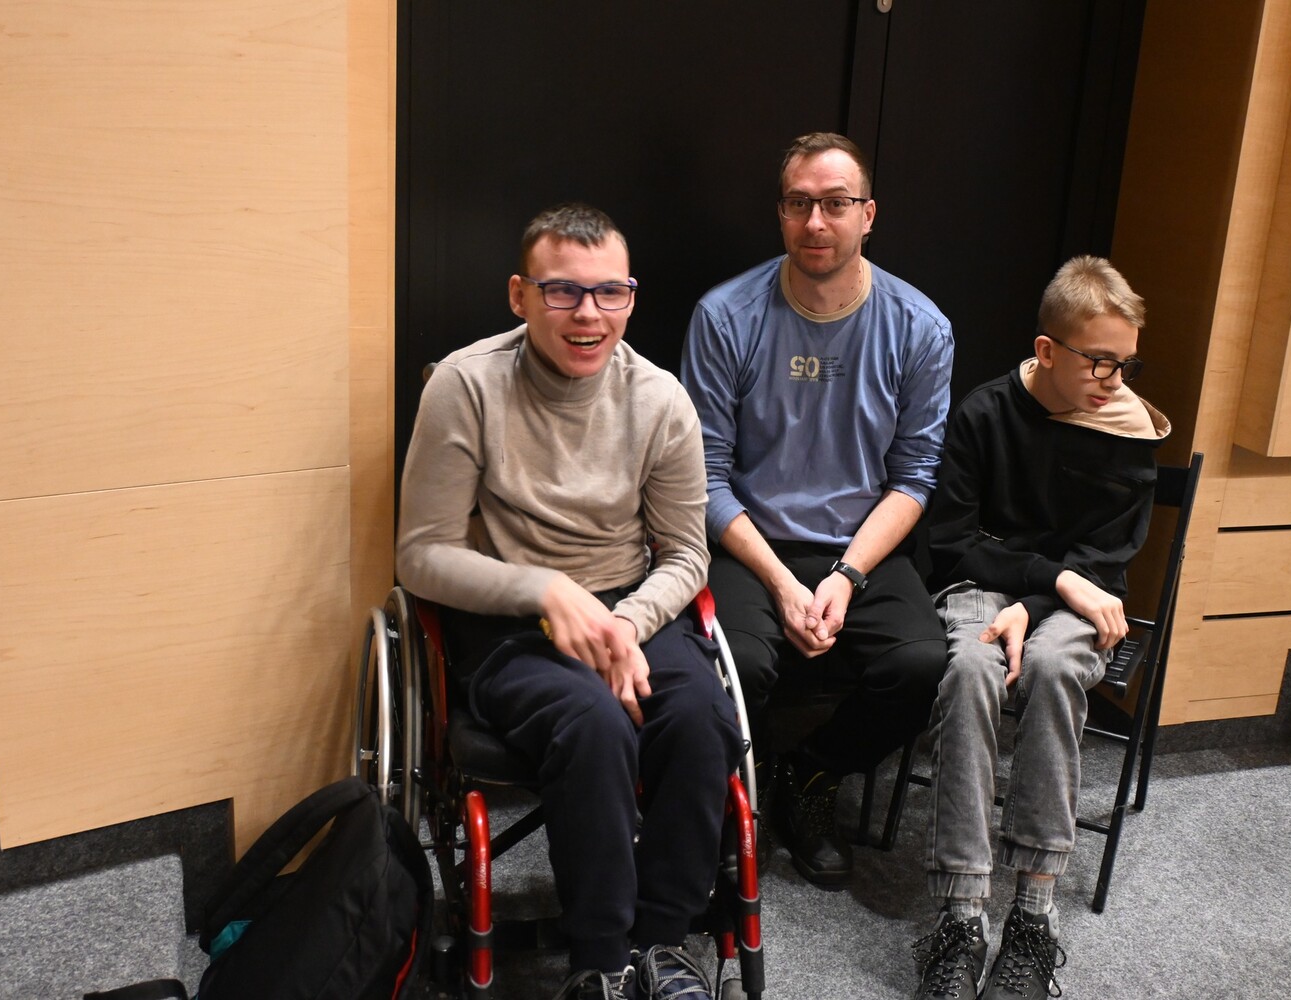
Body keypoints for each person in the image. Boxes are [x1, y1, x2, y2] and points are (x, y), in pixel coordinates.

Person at [396, 203, 742, 1000]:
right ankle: (601, 961)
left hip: (630, 607)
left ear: (630, 297)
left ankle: (663, 945)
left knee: (701, 719)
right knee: (592, 725)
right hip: (510, 620)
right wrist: (548, 591)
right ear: (520, 295)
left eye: (609, 292)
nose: (589, 314)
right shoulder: (465, 386)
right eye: (563, 292)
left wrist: (626, 622)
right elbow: (420, 556)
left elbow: (686, 554)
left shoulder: (660, 400)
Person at [680, 132, 953, 889]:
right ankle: (736, 792)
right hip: (748, 542)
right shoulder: (725, 316)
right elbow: (704, 476)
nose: (816, 222)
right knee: (734, 665)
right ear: (780, 213)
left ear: (869, 214)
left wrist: (846, 576)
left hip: (862, 545)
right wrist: (780, 581)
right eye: (799, 204)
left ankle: (812, 771)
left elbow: (914, 478)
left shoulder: (920, 326)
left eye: (835, 203)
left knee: (921, 665)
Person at [911, 256, 1170, 1000]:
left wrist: (1041, 600)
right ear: (1047, 350)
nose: (1115, 380)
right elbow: (953, 543)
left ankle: (1033, 913)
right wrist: (1045, 580)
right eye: (1099, 361)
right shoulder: (985, 414)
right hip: (988, 584)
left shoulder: (1129, 430)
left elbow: (1106, 559)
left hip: (1080, 601)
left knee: (1054, 669)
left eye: (1126, 363)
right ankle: (961, 914)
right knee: (970, 669)